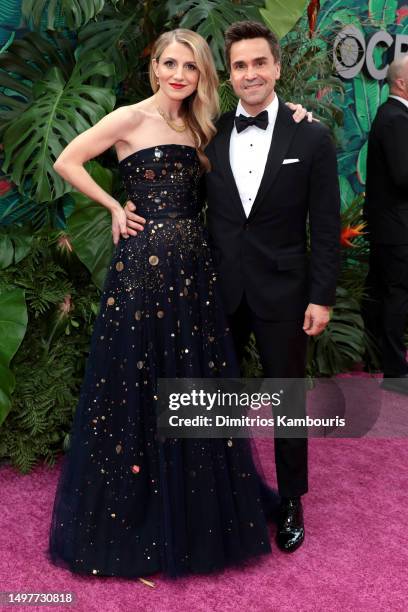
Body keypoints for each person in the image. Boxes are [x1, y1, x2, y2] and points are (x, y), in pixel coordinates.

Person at [48, 28, 310, 579]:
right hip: (141, 277)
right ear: (155, 68)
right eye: (170, 64)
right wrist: (113, 208)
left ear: (201, 75)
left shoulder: (201, 128)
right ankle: (137, 510)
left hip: (193, 278)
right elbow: (67, 161)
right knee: (136, 388)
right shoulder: (128, 118)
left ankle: (193, 509)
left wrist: (297, 116)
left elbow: (246, 162)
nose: (179, 75)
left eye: (190, 67)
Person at [127, 21, 341, 553]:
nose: (250, 73)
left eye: (259, 63)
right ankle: (214, 494)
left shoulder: (310, 135)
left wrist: (321, 297)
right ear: (229, 74)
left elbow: (326, 224)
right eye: (240, 65)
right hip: (215, 289)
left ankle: (291, 500)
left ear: (277, 67)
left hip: (285, 293)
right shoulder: (209, 133)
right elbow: (170, 186)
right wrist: (131, 206)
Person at [363, 56, 408, 396]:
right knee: (396, 296)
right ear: (402, 82)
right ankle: (395, 371)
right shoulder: (395, 118)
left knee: (382, 293)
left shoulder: (392, 115)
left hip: (389, 225)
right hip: (396, 227)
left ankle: (375, 357)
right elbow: (403, 176)